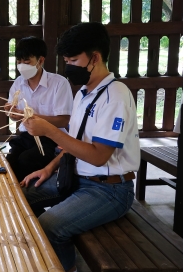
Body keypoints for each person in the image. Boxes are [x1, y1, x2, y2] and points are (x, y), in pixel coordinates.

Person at [20, 22, 140, 272]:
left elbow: (98, 157)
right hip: (76, 176)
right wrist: (49, 168)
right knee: (21, 197)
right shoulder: (84, 93)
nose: (69, 67)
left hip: (109, 190)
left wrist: (49, 129)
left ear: (94, 58)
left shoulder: (116, 96)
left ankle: (65, 267)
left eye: (73, 60)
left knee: (50, 225)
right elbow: (74, 144)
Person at [3, 37, 73, 181]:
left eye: (27, 62)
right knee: (9, 162)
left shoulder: (59, 83)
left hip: (51, 138)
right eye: (19, 61)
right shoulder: (18, 83)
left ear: (41, 61)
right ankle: (14, 197)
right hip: (26, 136)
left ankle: (30, 198)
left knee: (27, 160)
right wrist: (11, 112)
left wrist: (33, 117)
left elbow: (64, 120)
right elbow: (12, 112)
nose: (22, 65)